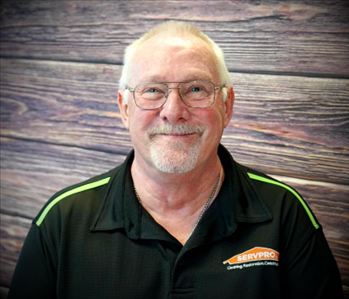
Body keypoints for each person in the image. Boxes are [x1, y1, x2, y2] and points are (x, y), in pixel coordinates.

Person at [8, 21, 343, 299]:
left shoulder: (284, 213)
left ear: (226, 106)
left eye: (196, 89)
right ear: (125, 109)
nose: (173, 111)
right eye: (153, 90)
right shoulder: (62, 220)